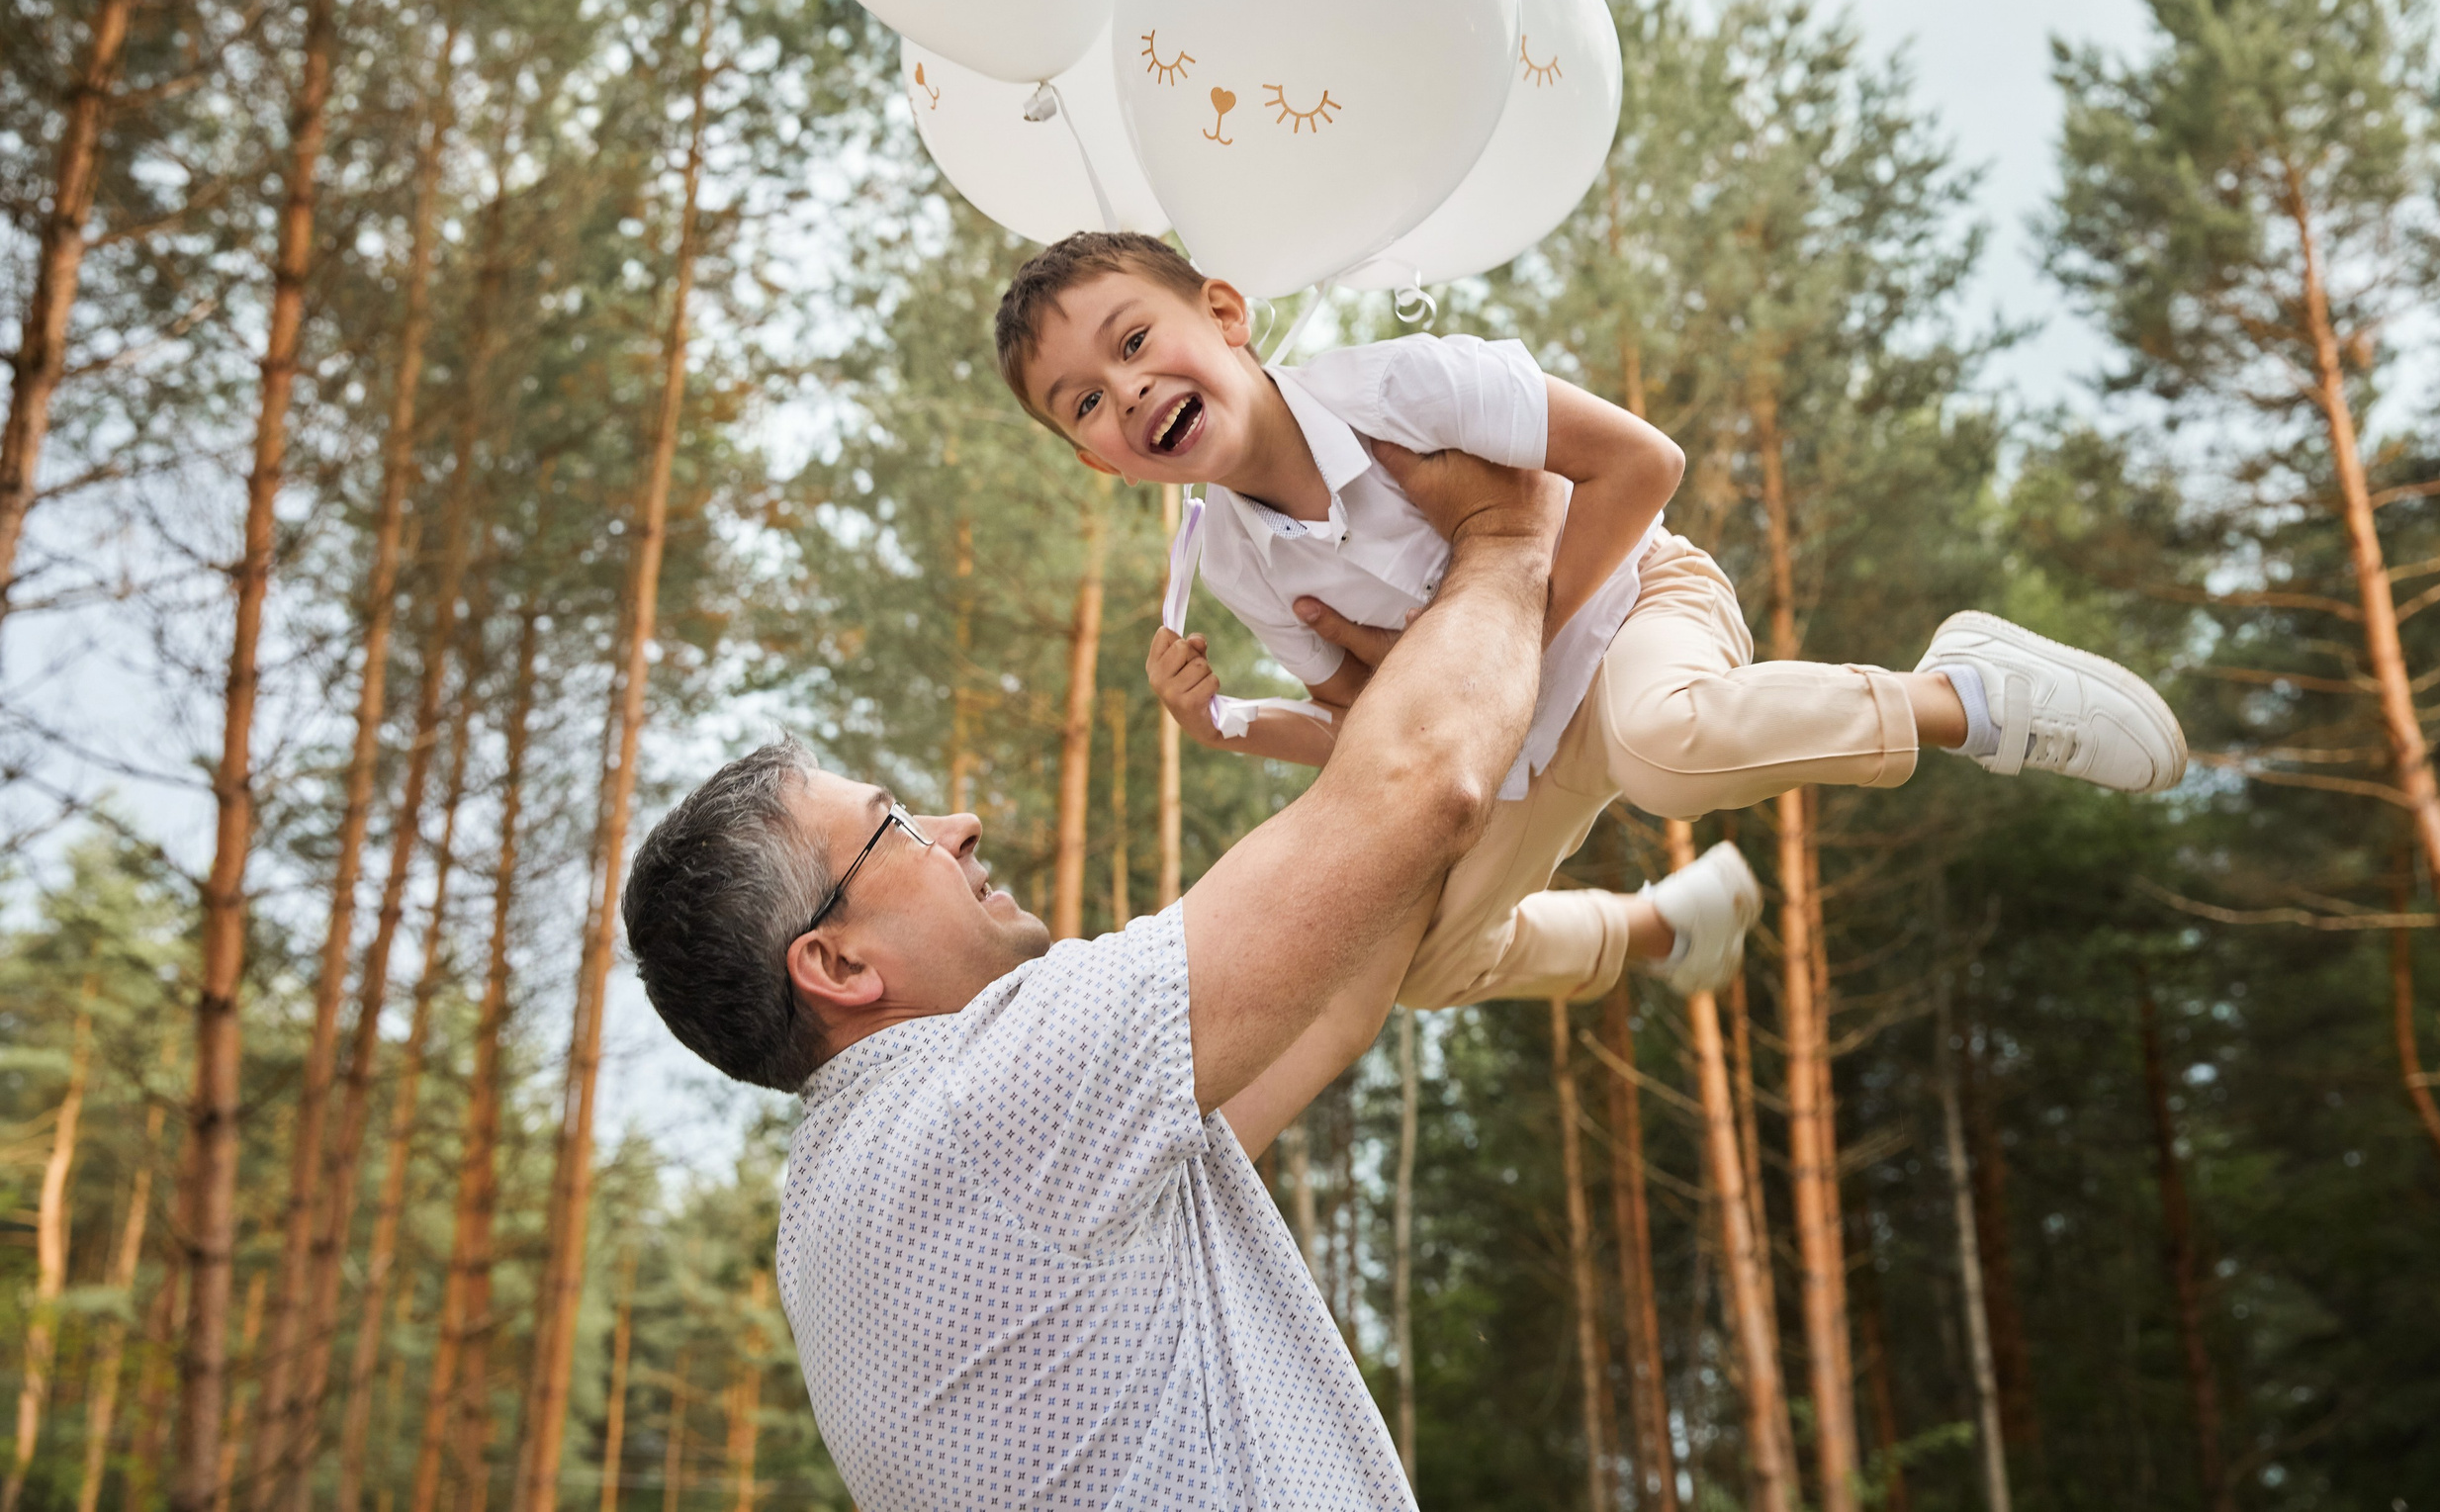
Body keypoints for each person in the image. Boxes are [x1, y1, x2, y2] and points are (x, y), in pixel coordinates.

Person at [621, 441, 1567, 1508]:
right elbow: (1422, 783)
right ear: (837, 963)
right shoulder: (980, 1115)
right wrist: (1507, 540)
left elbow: (1333, 1007)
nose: (958, 824)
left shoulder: (853, 1209)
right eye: (894, 827)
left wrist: (1396, 707)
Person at [993, 230, 2188, 1018]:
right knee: (1415, 969)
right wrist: (1234, 725)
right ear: (1095, 459)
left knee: (1668, 748)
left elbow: (1641, 465)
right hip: (1520, 743)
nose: (1129, 390)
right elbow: (1378, 725)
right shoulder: (1239, 564)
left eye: (1136, 340)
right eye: (1086, 402)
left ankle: (1961, 692)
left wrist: (1512, 629)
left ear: (1226, 310)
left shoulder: (1404, 388)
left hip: (1635, 610)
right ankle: (1662, 929)